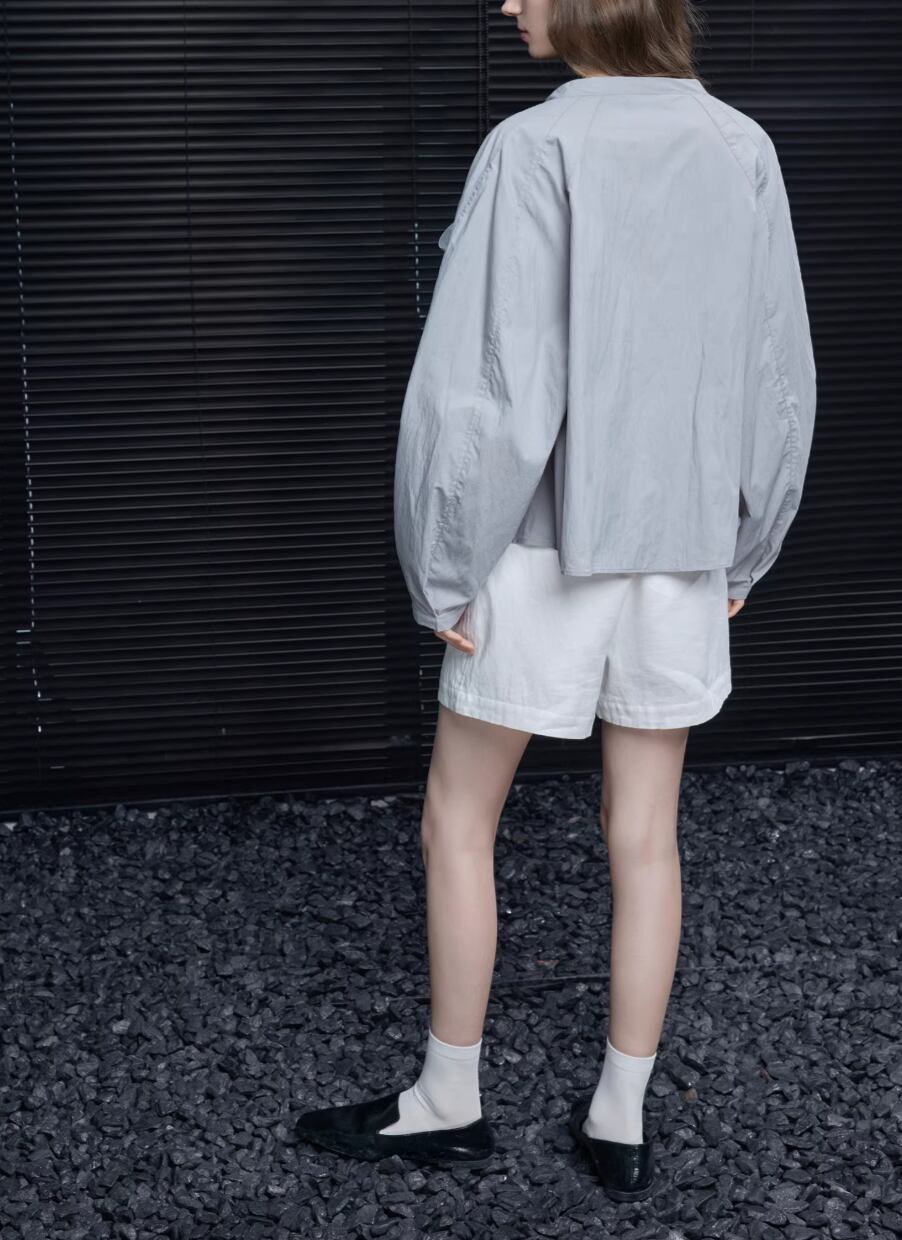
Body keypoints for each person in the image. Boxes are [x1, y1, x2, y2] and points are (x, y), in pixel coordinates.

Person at [293, 0, 816, 1203]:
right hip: (678, 546)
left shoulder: (533, 145)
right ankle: (619, 1115)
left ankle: (448, 1099)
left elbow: (488, 385)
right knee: (645, 834)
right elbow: (774, 371)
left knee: (456, 818)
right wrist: (748, 545)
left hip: (536, 551)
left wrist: (440, 561)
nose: (508, 4)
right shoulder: (739, 146)